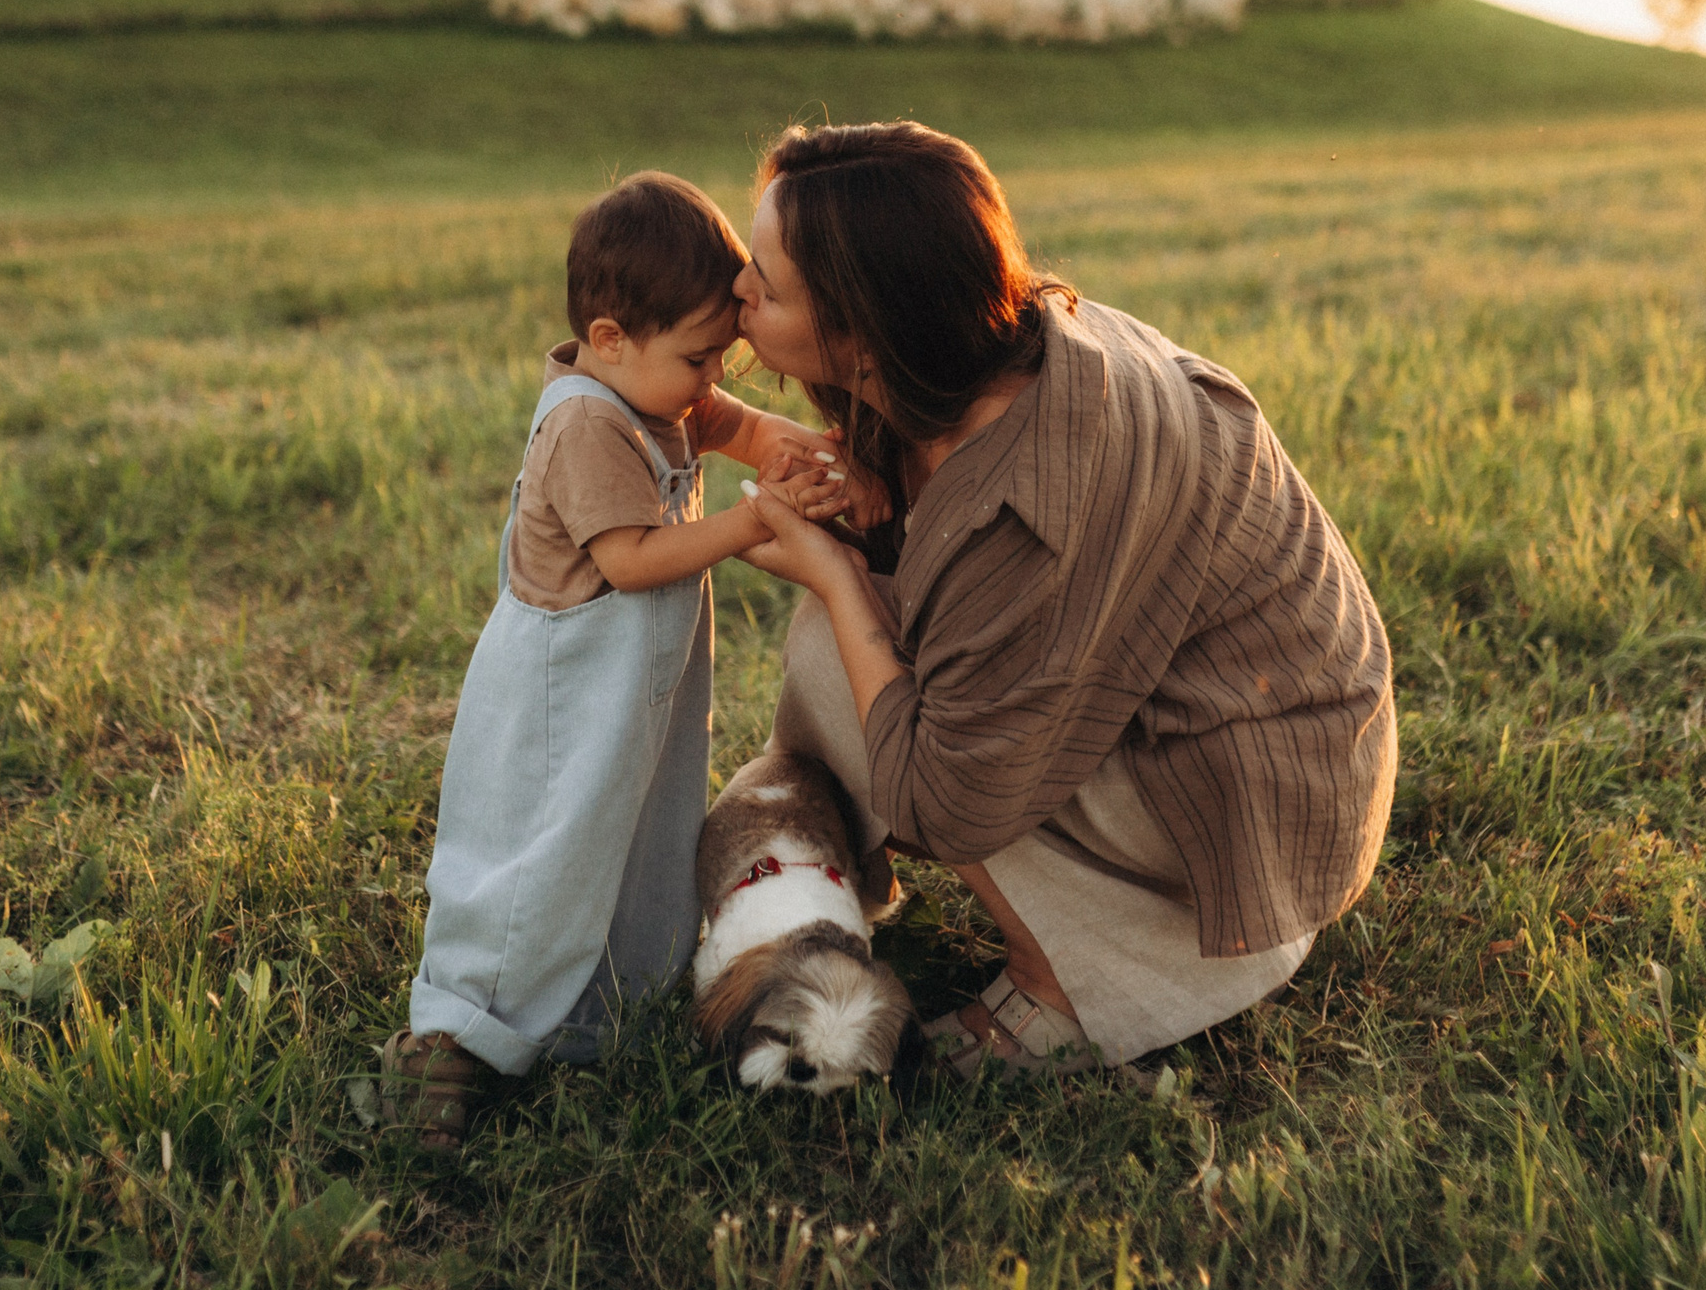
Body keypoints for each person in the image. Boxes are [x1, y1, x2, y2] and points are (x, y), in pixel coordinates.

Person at [732, 122, 1397, 1076]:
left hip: (1252, 812)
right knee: (855, 637)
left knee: (841, 655)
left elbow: (942, 800)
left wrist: (835, 574)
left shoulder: (1019, 505)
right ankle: (861, 879)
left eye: (767, 279)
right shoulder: (1007, 340)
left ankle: (1063, 985)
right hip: (1284, 747)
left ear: (865, 330)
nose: (738, 289)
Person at [381, 172, 848, 1149]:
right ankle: (451, 1033)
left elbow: (738, 426)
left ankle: (606, 1013)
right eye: (697, 357)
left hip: (632, 688)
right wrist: (754, 515)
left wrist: (803, 451)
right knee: (540, 855)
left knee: (635, 838)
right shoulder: (588, 420)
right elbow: (630, 559)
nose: (709, 379)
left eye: (718, 355)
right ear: (606, 338)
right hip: (563, 691)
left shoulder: (656, 385)